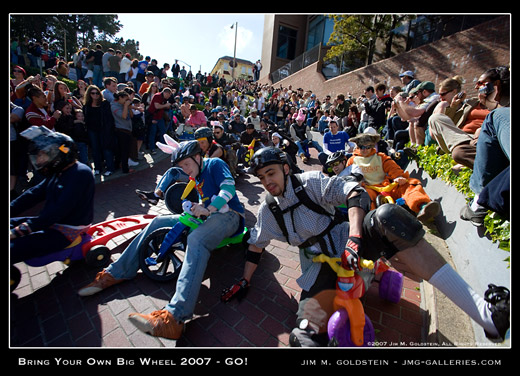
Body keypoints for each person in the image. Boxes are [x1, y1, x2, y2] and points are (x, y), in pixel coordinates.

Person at [226, 146, 509, 346]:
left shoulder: (310, 182)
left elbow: (354, 192)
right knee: (304, 336)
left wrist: (354, 237)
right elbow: (255, 245)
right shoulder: (268, 211)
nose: (267, 182)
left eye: (271, 173)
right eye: (262, 178)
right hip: (317, 266)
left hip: (348, 240)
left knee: (390, 218)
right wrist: (244, 280)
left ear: (286, 168)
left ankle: (486, 315)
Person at [78, 140, 245, 340]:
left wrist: (208, 209)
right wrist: (194, 205)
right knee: (157, 221)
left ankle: (175, 319)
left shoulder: (214, 164)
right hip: (210, 215)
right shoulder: (196, 176)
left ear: (198, 157)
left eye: (187, 165)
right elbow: (203, 199)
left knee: (197, 239)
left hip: (231, 215)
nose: (185, 170)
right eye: (181, 167)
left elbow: (228, 188)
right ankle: (116, 272)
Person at [10, 126, 95, 264]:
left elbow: (59, 210)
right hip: (54, 222)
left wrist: (23, 229)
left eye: (42, 155)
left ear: (58, 154)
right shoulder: (59, 171)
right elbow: (33, 194)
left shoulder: (80, 173)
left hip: (67, 229)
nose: (38, 160)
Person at [346, 132, 440, 222]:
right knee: (364, 197)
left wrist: (398, 177)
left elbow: (393, 168)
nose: (365, 150)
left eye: (368, 147)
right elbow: (348, 178)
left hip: (386, 186)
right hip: (369, 188)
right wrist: (358, 184)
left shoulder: (381, 157)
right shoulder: (352, 161)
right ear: (358, 147)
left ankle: (422, 206)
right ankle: (372, 221)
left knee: (410, 184)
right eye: (362, 147)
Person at [428, 67, 509, 171]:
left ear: (496, 85)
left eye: (481, 84)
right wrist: (453, 107)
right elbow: (451, 123)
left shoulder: (504, 105)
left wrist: (488, 103)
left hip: (482, 139)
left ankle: (467, 157)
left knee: (460, 151)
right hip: (459, 137)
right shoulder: (472, 103)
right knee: (435, 118)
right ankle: (466, 153)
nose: (476, 87)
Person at [83, 85, 116, 176]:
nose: (95, 95)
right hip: (92, 130)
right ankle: (97, 168)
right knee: (95, 149)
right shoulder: (87, 106)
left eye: (97, 93)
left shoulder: (104, 104)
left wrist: (109, 130)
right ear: (89, 94)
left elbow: (109, 118)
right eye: (93, 93)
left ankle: (110, 168)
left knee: (106, 148)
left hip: (104, 130)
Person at [111, 90, 135, 174]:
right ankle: (125, 169)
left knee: (126, 150)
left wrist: (129, 107)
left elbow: (131, 116)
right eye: (126, 99)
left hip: (128, 130)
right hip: (121, 130)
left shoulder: (124, 105)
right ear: (120, 98)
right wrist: (125, 106)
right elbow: (124, 116)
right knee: (123, 151)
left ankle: (119, 165)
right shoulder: (114, 106)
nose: (127, 101)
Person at [147, 87, 172, 154]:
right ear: (166, 93)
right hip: (154, 117)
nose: (169, 97)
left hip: (159, 117)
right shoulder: (157, 96)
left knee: (163, 132)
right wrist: (165, 105)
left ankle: (163, 146)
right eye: (169, 95)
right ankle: (152, 148)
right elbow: (157, 106)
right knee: (153, 133)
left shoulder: (164, 99)